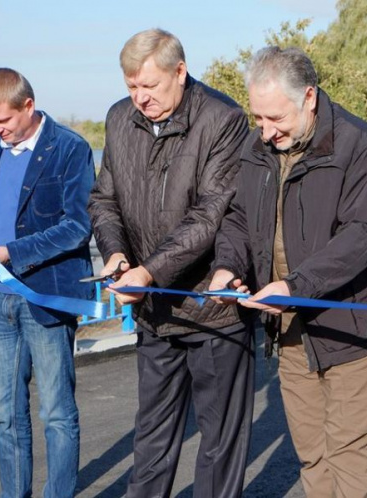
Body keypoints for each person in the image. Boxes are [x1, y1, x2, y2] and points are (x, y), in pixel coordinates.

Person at [210, 46, 367, 497]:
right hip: (289, 327)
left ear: (309, 97)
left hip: (350, 325)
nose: (266, 131)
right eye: (258, 118)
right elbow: (238, 219)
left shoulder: (360, 144)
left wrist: (296, 286)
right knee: (312, 455)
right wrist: (226, 267)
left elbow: (364, 233)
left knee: (349, 455)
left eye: (276, 118)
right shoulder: (255, 147)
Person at [87, 29, 254, 498]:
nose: (141, 99)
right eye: (131, 87)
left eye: (151, 87)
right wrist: (116, 254)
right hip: (154, 311)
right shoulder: (119, 119)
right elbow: (104, 199)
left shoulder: (223, 119)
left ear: (180, 72)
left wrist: (150, 271)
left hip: (212, 309)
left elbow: (212, 213)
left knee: (219, 445)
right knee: (152, 440)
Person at [0, 68, 95, 498]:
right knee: (5, 414)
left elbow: (77, 227)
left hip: (47, 299)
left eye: (4, 121)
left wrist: (10, 253)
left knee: (56, 413)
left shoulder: (70, 148)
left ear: (28, 106)